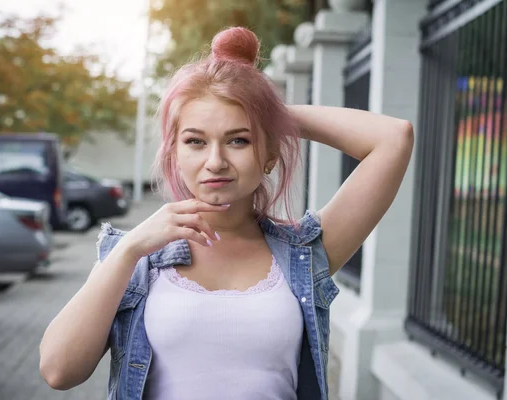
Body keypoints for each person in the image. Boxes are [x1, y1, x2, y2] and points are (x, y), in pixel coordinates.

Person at [39, 27, 414, 400]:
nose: (215, 162)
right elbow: (59, 371)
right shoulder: (135, 258)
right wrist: (130, 248)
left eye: (238, 139)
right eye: (195, 141)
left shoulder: (304, 253)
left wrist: (268, 113)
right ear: (174, 154)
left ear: (269, 156)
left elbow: (393, 138)